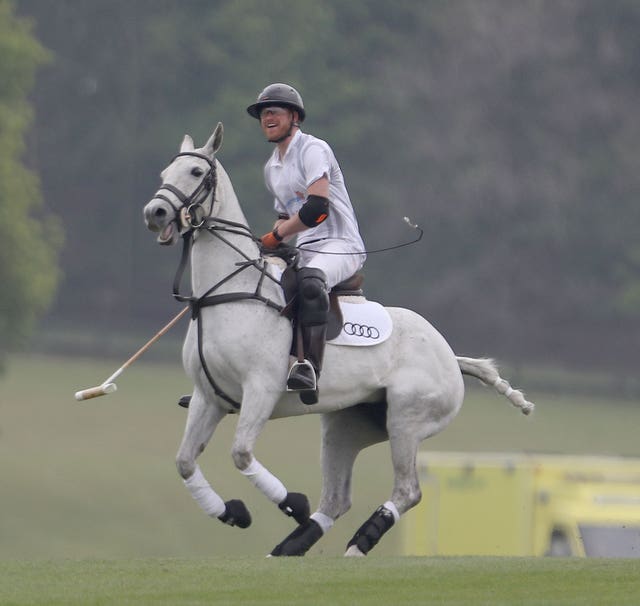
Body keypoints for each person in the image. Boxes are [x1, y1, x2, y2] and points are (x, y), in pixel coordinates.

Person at [247, 83, 366, 404]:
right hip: (307, 248)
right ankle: (235, 373)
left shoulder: (313, 149)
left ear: (294, 117)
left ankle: (308, 367)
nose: (267, 117)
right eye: (263, 113)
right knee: (257, 282)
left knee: (311, 280)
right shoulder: (271, 168)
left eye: (275, 111)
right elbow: (284, 216)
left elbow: (316, 209)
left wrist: (280, 234)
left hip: (342, 244)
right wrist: (270, 242)